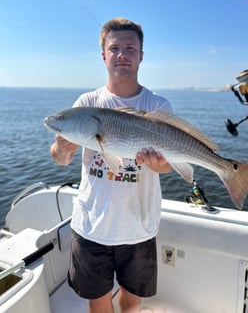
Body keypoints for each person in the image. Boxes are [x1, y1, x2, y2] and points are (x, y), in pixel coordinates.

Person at [50, 17, 173, 313]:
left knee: (131, 301)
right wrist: (62, 145)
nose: (122, 54)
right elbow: (61, 158)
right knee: (98, 302)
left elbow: (167, 167)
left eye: (130, 48)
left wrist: (158, 165)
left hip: (139, 227)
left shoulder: (158, 106)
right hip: (91, 226)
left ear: (141, 55)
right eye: (114, 47)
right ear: (103, 55)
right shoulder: (86, 103)